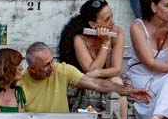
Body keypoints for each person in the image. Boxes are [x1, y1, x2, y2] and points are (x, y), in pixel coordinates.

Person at [21, 41, 151, 112]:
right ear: (32, 69)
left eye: (52, 61)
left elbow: (97, 84)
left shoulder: (61, 69)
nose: (52, 67)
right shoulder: (19, 80)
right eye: (46, 65)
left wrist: (130, 92)